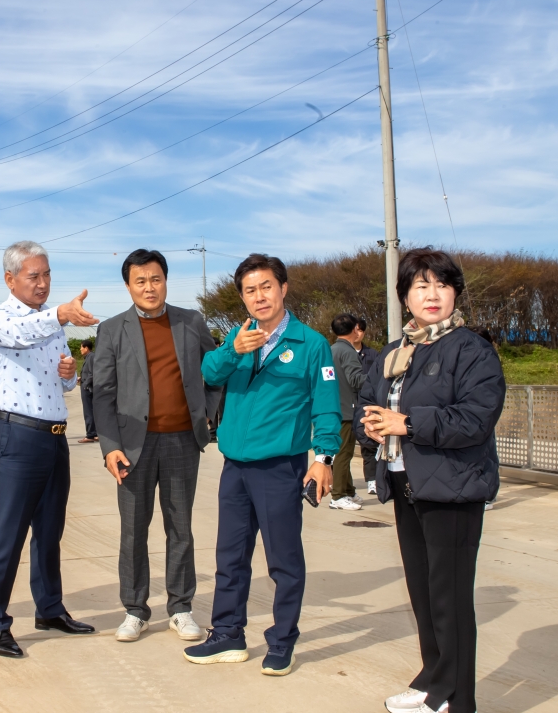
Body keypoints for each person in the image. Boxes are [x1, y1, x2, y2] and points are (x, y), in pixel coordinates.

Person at [357, 247, 505, 713]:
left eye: (441, 285)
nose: (432, 294)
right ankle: (432, 680)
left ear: (455, 292)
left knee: (451, 598)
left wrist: (408, 422)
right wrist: (373, 425)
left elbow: (475, 419)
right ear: (405, 297)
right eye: (421, 286)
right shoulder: (399, 350)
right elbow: (370, 400)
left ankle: (460, 706)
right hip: (406, 482)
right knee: (423, 593)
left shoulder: (470, 349)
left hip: (453, 489)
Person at [185, 253, 341, 677]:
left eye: (266, 286)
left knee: (283, 560)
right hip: (234, 467)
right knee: (230, 556)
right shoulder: (238, 338)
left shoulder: (311, 345)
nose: (259, 297)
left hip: (280, 468)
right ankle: (227, 634)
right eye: (250, 290)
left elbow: (326, 409)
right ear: (243, 298)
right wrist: (233, 350)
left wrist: (323, 458)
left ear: (283, 288)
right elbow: (208, 373)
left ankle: (283, 640)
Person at [0, 240, 100, 658]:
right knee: (7, 531)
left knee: (50, 531)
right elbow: (22, 332)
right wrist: (60, 314)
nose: (43, 283)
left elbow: (64, 381)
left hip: (54, 435)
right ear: (10, 279)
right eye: (34, 276)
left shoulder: (53, 325)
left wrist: (68, 372)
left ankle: (49, 608)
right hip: (17, 435)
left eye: (47, 275)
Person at [91, 249, 219, 643]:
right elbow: (102, 393)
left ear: (166, 280)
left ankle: (181, 607)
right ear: (128, 285)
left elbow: (215, 371)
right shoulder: (112, 329)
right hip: (131, 447)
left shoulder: (191, 322)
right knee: (133, 530)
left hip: (182, 441)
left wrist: (208, 415)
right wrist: (110, 445)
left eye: (156, 279)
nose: (149, 287)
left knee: (180, 527)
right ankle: (135, 609)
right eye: (140, 281)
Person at [329, 313, 366, 510]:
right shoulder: (348, 351)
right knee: (344, 454)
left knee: (340, 453)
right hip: (346, 410)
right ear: (354, 330)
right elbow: (356, 380)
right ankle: (337, 496)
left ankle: (348, 491)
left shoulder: (331, 349)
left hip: (332, 409)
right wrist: (376, 377)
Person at [354, 317, 380, 500]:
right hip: (346, 405)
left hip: (367, 404)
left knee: (369, 445)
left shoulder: (373, 355)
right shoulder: (340, 352)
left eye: (360, 330)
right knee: (342, 449)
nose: (357, 333)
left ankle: (372, 480)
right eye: (354, 330)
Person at [77, 339, 98, 443]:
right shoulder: (89, 357)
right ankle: (95, 434)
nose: (80, 349)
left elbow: (92, 373)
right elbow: (88, 373)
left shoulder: (91, 357)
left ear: (86, 348)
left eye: (81, 347)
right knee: (93, 411)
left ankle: (90, 435)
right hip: (89, 386)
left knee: (88, 411)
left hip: (88, 388)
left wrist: (85, 384)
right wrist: (81, 378)